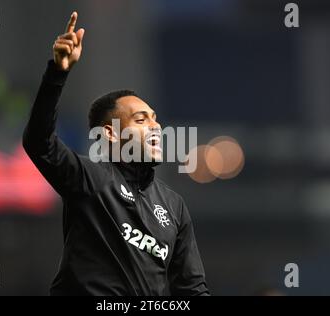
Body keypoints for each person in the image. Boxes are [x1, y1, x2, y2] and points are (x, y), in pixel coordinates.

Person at [23, 11, 209, 296]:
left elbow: (192, 289)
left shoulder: (174, 206)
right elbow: (39, 142)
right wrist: (57, 74)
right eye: (140, 119)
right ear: (111, 133)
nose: (155, 126)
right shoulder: (90, 178)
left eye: (154, 118)